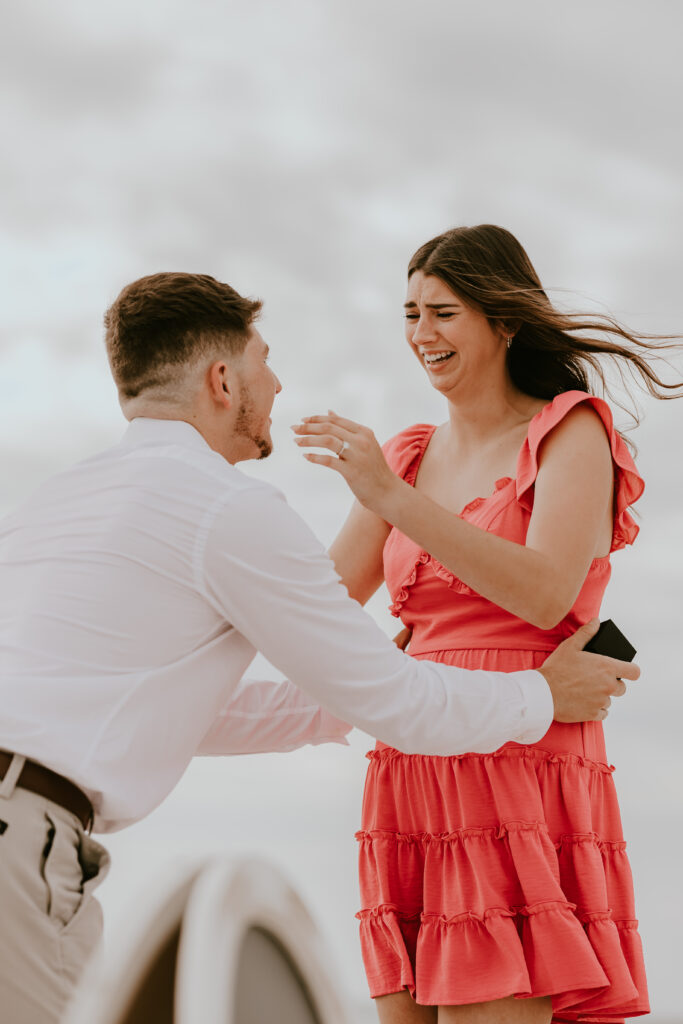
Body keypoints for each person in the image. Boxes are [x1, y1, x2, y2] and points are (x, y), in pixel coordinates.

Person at [0, 272, 635, 1024]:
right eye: (265, 361)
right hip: (21, 838)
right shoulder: (227, 508)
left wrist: (340, 700)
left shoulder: (57, 502)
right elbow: (393, 699)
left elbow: (165, 711)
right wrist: (539, 695)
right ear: (223, 379)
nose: (278, 383)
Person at [293, 226, 679, 1023]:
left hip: (523, 750)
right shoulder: (404, 453)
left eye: (442, 313)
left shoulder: (569, 430)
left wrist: (392, 501)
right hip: (413, 757)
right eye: (409, 315)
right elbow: (317, 607)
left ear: (502, 323)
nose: (420, 336)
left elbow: (544, 594)